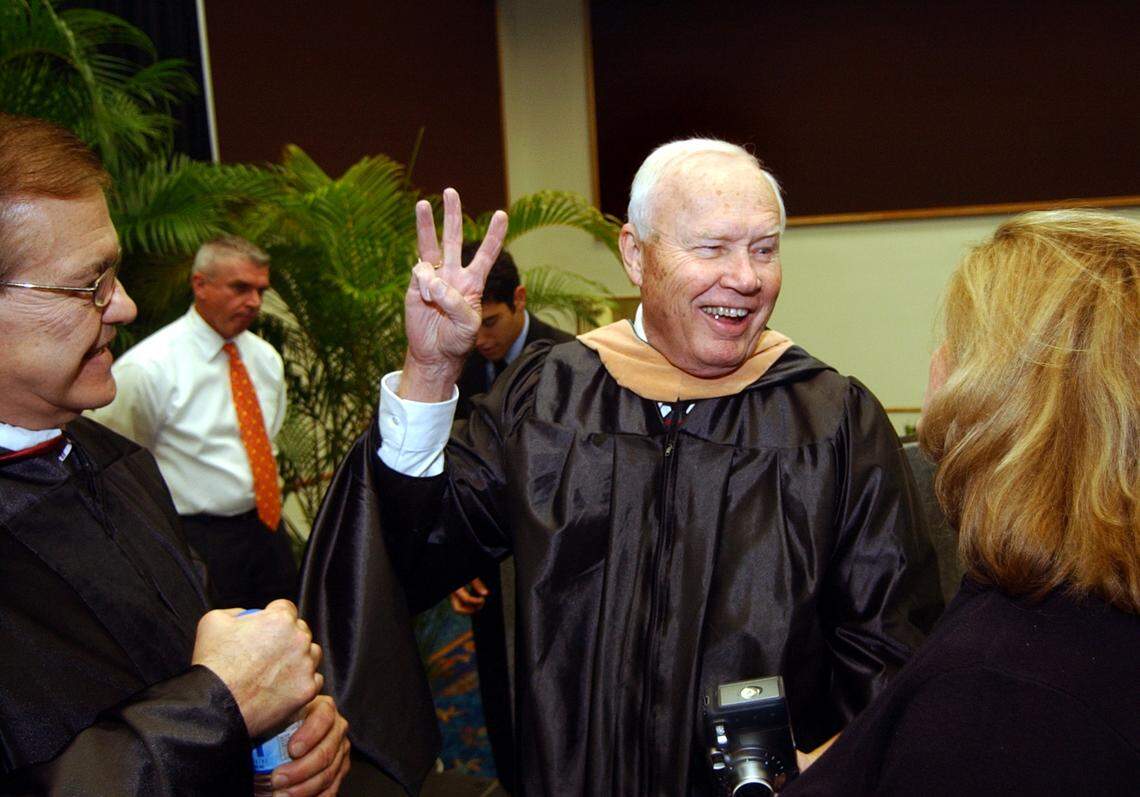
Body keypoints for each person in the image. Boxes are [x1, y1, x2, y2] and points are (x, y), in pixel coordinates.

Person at [301, 139, 942, 793]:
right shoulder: (545, 398)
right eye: (713, 247)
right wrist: (432, 371)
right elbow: (415, 547)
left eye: (764, 247)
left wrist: (833, 769)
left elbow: (890, 643)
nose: (747, 277)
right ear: (636, 254)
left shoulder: (832, 420)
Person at [0, 112, 349, 794]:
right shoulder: (147, 379)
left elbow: (195, 657)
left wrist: (283, 732)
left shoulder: (119, 462)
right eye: (87, 283)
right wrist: (219, 708)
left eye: (116, 273)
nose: (125, 305)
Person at [782, 209, 1140, 796]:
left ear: (999, 398)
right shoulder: (1064, 635)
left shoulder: (1001, 693)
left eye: (960, 344)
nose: (938, 360)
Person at [91, 235, 296, 609]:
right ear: (200, 284)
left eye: (260, 290)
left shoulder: (265, 359)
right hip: (199, 539)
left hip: (267, 529)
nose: (253, 302)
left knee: (288, 626)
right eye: (240, 288)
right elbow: (114, 462)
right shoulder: (149, 368)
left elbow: (269, 434)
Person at [448, 243, 573, 792]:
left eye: (492, 321)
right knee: (498, 689)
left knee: (558, 693)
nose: (480, 338)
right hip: (487, 568)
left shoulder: (572, 362)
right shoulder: (457, 360)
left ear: (520, 299)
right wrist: (461, 557)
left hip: (560, 567)